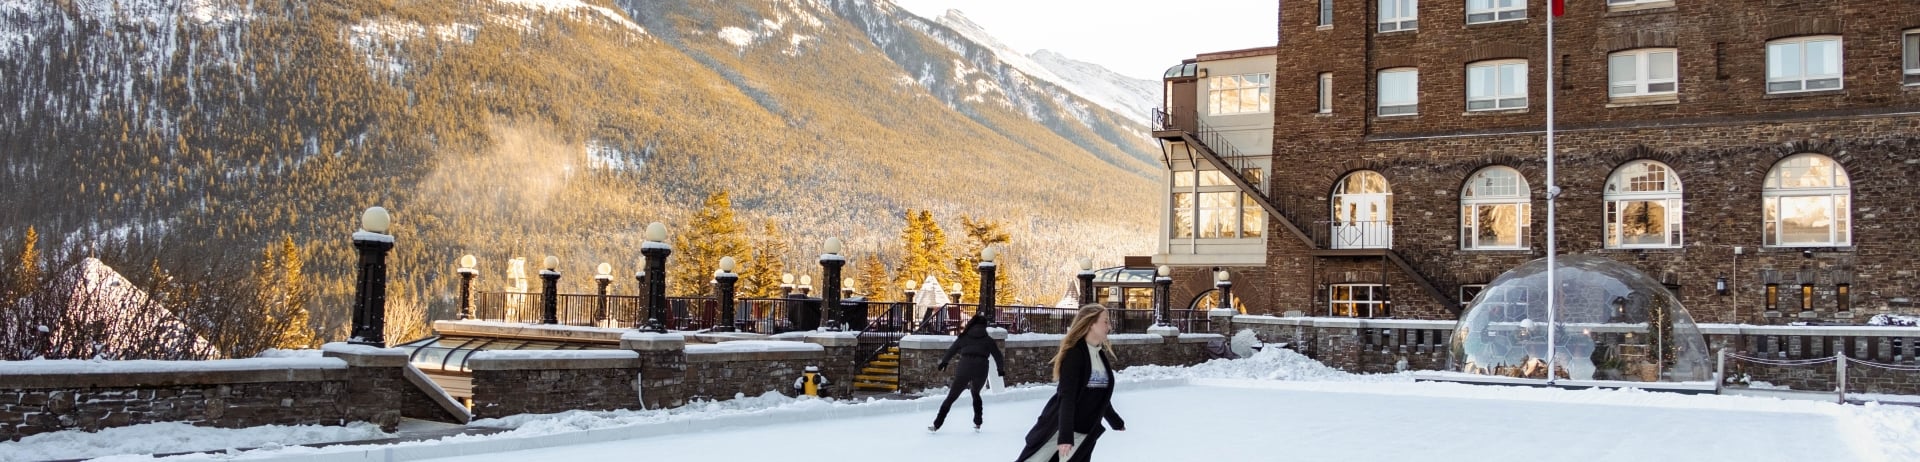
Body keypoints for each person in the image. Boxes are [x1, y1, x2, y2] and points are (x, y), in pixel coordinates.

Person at [1014, 304, 1125, 462]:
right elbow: (1067, 397)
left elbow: (1098, 395)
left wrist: (1115, 420)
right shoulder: (1075, 354)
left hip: (1085, 431)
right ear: (1091, 324)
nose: (1110, 326)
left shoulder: (1099, 355)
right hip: (1059, 428)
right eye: (1105, 321)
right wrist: (1065, 436)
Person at [930, 315, 1007, 432]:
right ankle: (978, 422)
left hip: (964, 368)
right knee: (975, 393)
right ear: (984, 326)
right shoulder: (988, 340)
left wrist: (944, 362)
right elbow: (998, 355)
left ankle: (937, 424)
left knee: (951, 397)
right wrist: (1000, 369)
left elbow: (952, 349)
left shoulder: (964, 337)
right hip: (981, 369)